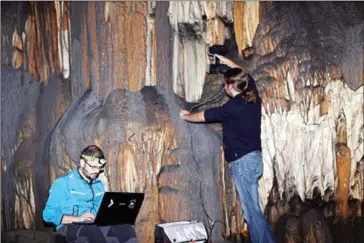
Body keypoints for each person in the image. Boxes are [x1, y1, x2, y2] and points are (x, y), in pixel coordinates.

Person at [180, 55, 275, 243]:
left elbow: (206, 115)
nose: (223, 88)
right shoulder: (252, 96)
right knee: (253, 210)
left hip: (243, 163)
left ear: (232, 87)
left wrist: (186, 116)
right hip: (255, 160)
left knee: (251, 213)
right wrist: (226, 61)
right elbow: (246, 74)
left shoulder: (234, 106)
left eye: (225, 85)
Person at [43, 145, 138, 243]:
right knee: (91, 232)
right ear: (82, 162)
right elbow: (48, 215)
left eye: (99, 168)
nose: (96, 171)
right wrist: (79, 218)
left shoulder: (98, 184)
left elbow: (102, 210)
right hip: (69, 226)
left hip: (94, 223)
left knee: (125, 229)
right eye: (93, 167)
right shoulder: (63, 183)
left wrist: (106, 187)